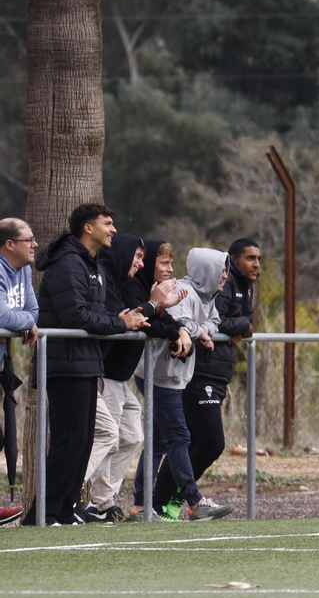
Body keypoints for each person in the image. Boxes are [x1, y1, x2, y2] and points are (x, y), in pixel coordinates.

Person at [24, 204, 149, 526]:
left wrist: (117, 321)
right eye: (108, 223)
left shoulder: (90, 264)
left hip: (85, 362)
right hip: (64, 364)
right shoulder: (68, 262)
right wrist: (120, 324)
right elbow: (76, 316)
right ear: (88, 228)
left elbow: (96, 315)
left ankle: (64, 511)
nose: (114, 230)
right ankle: (43, 514)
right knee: (69, 439)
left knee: (81, 440)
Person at [82, 234, 188, 523]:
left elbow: (159, 322)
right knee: (108, 436)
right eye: (161, 262)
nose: (167, 269)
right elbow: (145, 321)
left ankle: (103, 499)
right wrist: (157, 307)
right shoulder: (126, 285)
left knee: (133, 436)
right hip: (107, 373)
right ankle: (86, 499)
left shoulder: (139, 285)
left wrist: (178, 327)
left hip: (121, 377)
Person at [148, 248, 233, 521]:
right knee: (177, 440)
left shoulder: (209, 296)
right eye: (221, 268)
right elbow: (179, 324)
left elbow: (213, 323)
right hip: (164, 373)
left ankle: (158, 504)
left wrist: (200, 330)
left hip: (178, 375)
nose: (224, 275)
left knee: (172, 440)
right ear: (206, 269)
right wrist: (198, 330)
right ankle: (168, 503)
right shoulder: (184, 290)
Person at [185, 238, 259, 497]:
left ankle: (164, 505)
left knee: (197, 443)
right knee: (210, 444)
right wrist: (241, 326)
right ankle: (160, 500)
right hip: (201, 370)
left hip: (218, 372)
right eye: (250, 258)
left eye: (258, 259)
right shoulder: (226, 283)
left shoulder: (247, 285)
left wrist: (243, 325)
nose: (256, 264)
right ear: (235, 258)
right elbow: (217, 321)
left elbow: (245, 320)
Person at [0, 217, 39, 525]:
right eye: (29, 240)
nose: (35, 245)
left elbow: (33, 310)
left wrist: (18, 322)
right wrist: (21, 321)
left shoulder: (24, 269)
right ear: (9, 245)